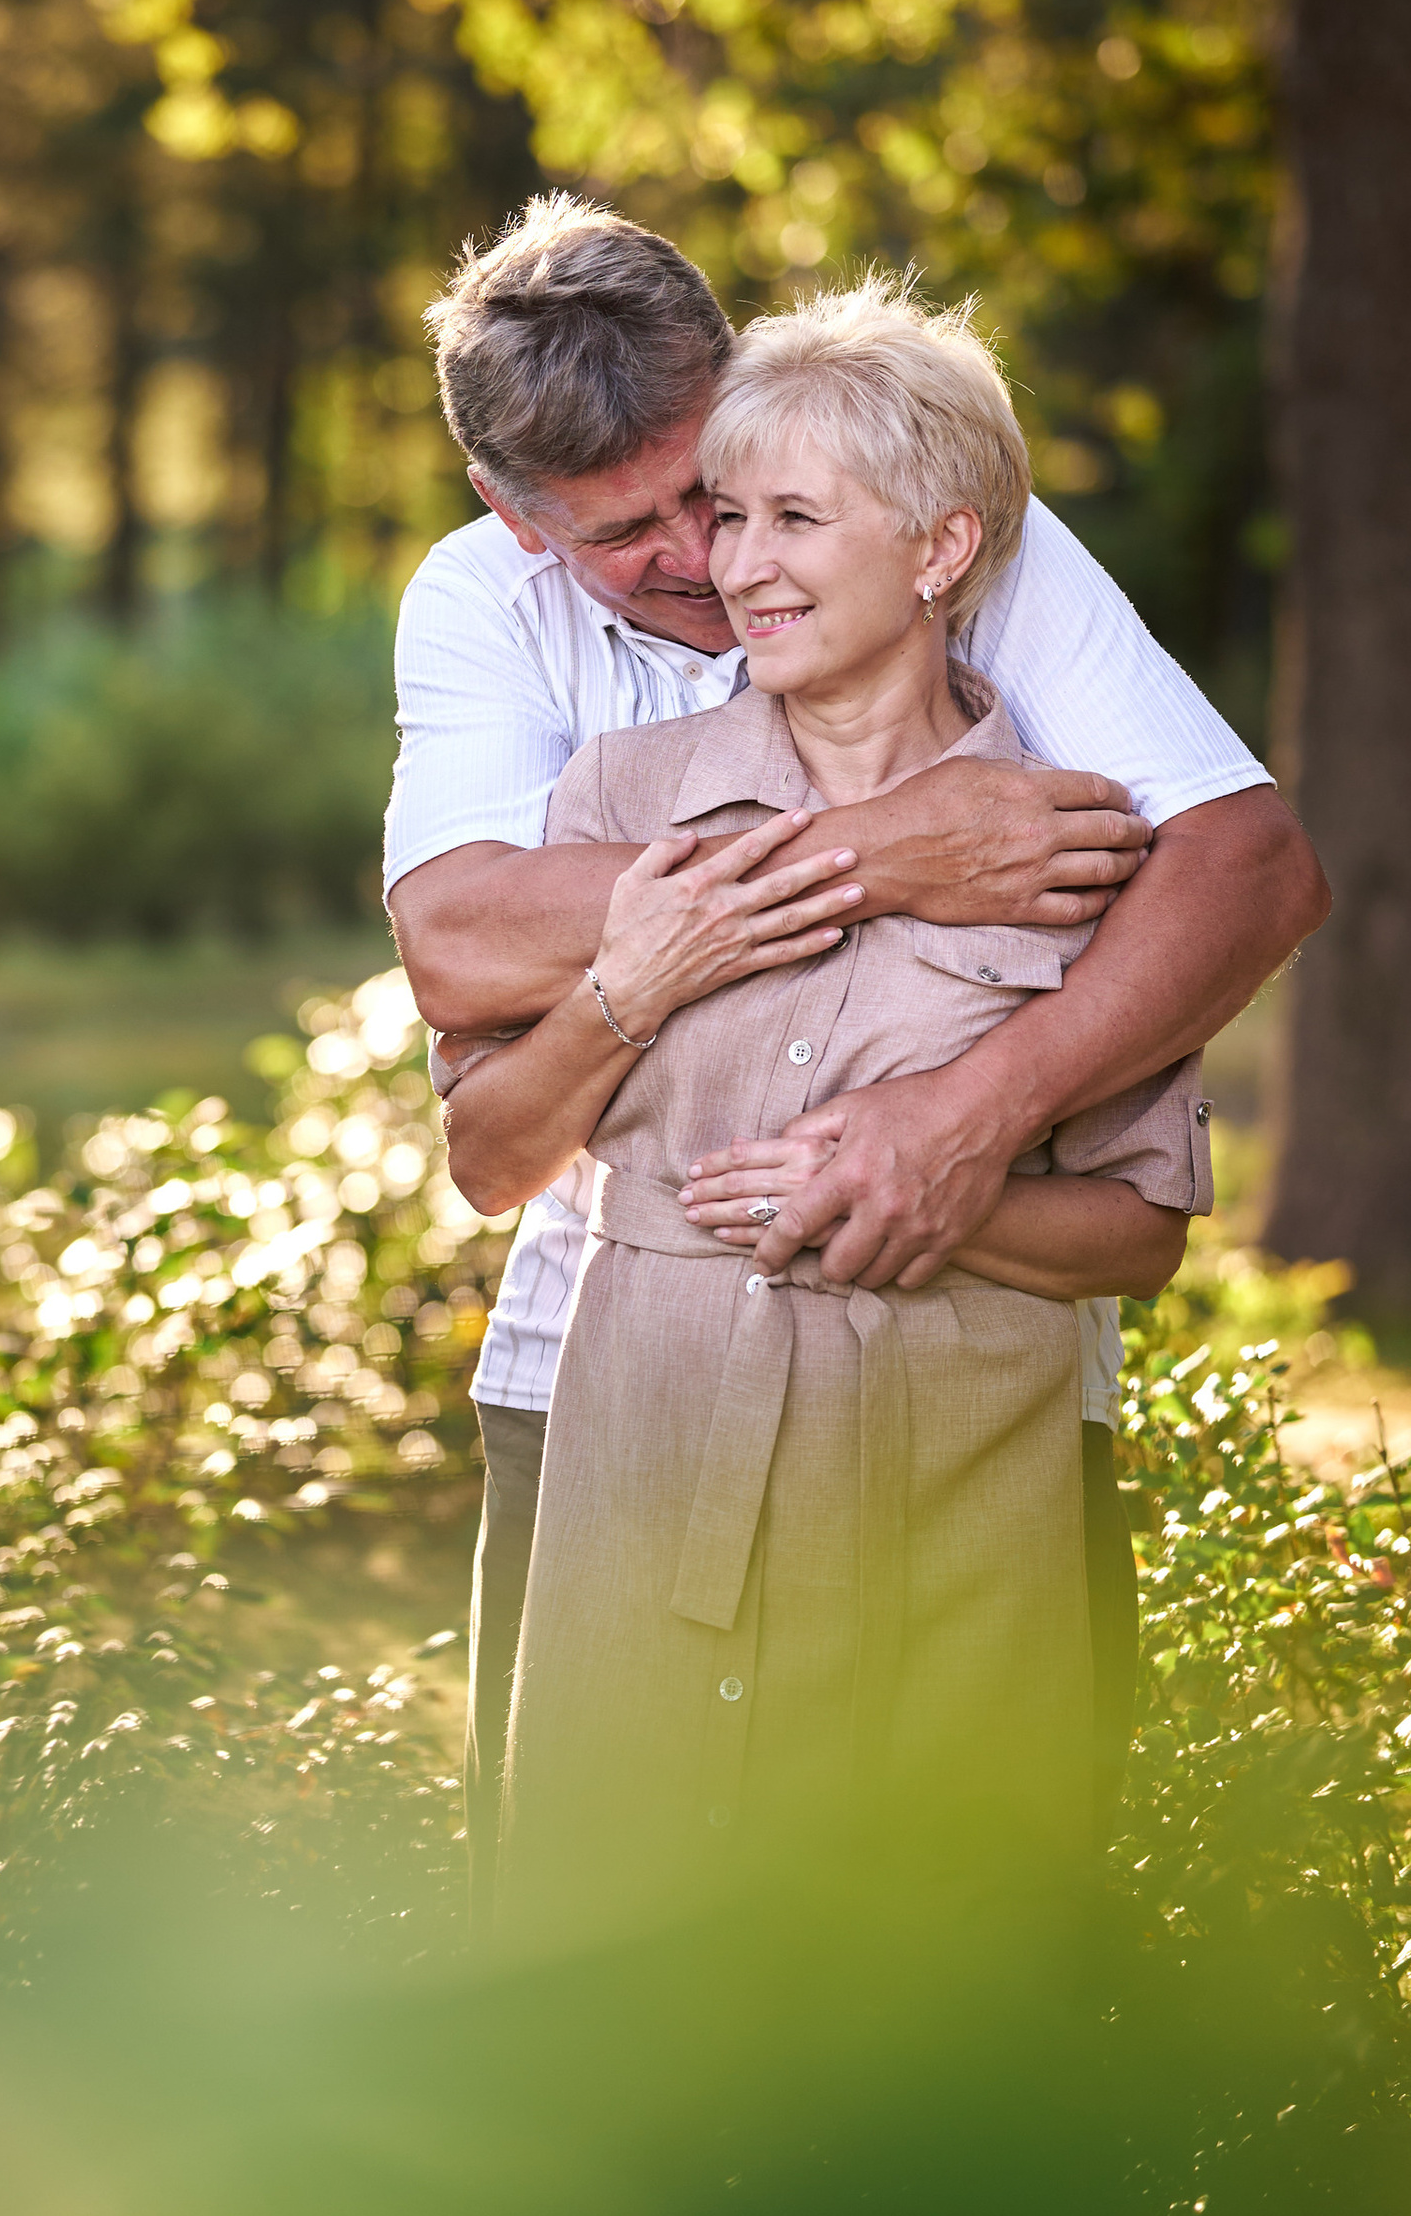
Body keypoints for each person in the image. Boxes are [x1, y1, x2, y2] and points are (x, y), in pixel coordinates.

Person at [383, 198, 1327, 1912]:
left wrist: (965, 1122)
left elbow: (1248, 866)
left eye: (731, 492)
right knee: (585, 1950)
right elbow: (457, 937)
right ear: (513, 522)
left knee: (962, 1951)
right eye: (635, 529)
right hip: (608, 1381)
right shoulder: (480, 610)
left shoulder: (958, 537)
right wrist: (889, 851)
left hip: (977, 1400)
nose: (709, 555)